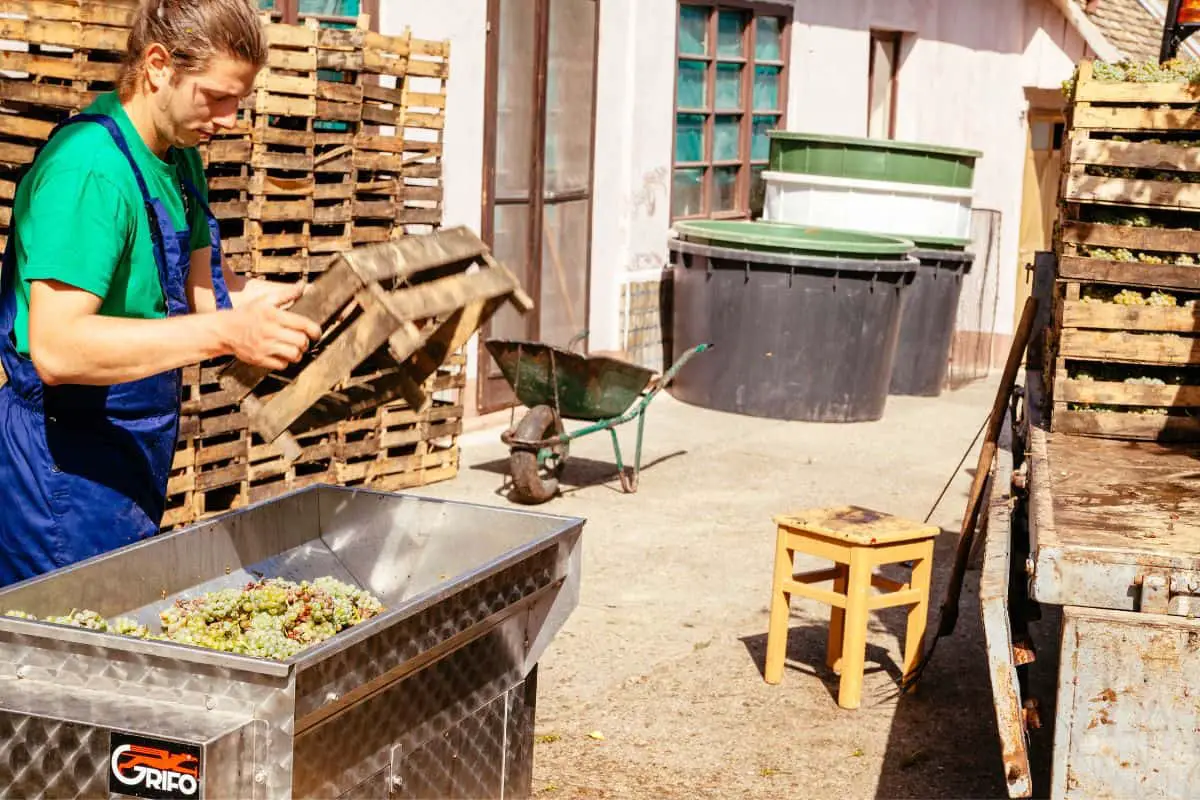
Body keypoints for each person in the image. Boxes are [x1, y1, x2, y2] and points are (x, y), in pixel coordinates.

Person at [0, 0, 323, 586]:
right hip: (58, 472)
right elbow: (56, 346)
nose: (228, 118)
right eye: (216, 97)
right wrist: (226, 332)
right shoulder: (90, 173)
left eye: (239, 101)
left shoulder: (178, 159)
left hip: (131, 456)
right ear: (157, 65)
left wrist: (272, 304)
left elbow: (202, 296)